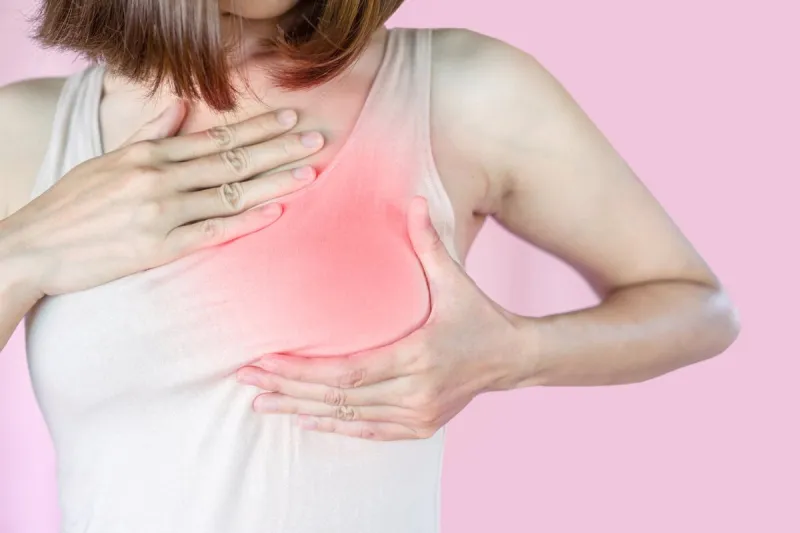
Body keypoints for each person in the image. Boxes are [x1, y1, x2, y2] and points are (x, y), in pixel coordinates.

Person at [0, 1, 741, 532]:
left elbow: (700, 309)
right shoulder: (26, 131)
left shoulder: (467, 89)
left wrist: (515, 353)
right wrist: (24, 247)